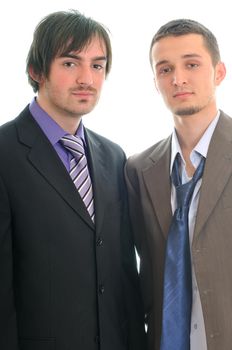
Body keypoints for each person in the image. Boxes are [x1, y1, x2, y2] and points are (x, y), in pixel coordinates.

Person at [0, 10, 146, 350]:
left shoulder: (113, 156)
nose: (87, 79)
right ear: (37, 70)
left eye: (97, 65)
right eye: (70, 63)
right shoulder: (4, 154)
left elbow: (124, 273)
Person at [125, 18, 231, 350]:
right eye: (165, 69)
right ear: (155, 82)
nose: (178, 78)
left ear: (218, 73)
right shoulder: (139, 169)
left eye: (192, 64)